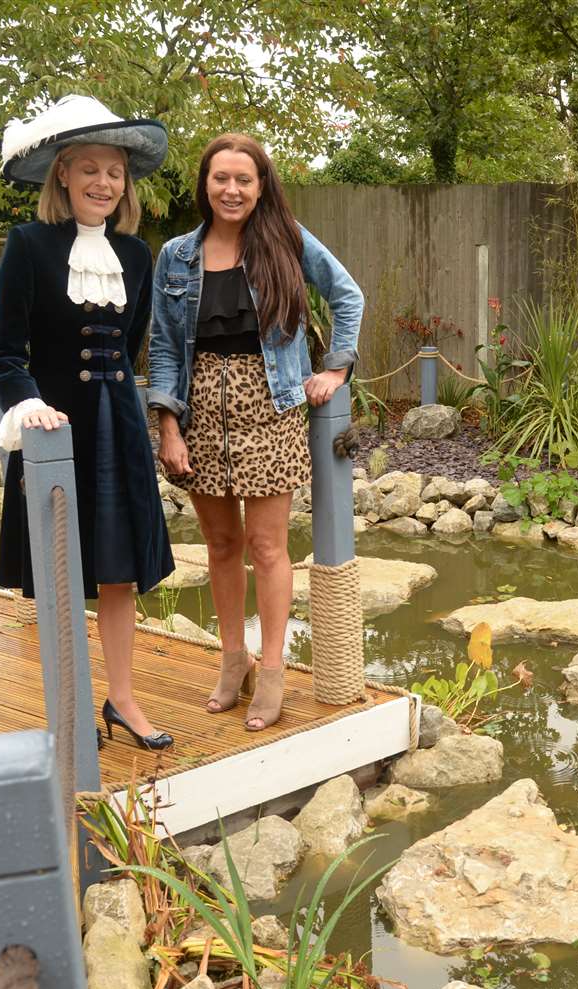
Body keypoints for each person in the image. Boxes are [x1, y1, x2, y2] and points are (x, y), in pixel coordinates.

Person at [148, 133, 363, 731]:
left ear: (261, 185)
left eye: (244, 179)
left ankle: (272, 670)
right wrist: (169, 427)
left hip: (269, 409)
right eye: (221, 178)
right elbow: (164, 346)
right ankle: (232, 661)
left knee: (268, 547)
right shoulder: (176, 257)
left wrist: (337, 368)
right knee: (220, 546)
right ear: (205, 185)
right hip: (200, 414)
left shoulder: (286, 242)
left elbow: (347, 294)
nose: (232, 189)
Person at [0, 95, 176, 751]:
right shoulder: (28, 245)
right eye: (90, 168)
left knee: (120, 571)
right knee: (62, 571)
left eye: (115, 172)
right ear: (62, 174)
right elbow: (6, 355)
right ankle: (68, 707)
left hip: (117, 431)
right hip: (52, 431)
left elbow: (130, 351)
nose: (104, 182)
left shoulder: (137, 256)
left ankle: (122, 700)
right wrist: (27, 402)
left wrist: (138, 416)